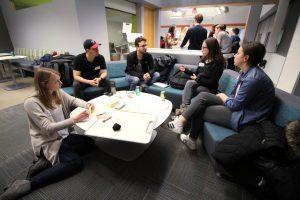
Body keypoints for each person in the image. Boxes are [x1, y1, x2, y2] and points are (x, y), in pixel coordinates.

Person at [0, 68, 95, 200]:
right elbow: (48, 128)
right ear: (45, 84)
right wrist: (75, 119)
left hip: (63, 137)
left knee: (90, 143)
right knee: (75, 162)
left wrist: (87, 104)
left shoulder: (57, 92)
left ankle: (48, 161)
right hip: (48, 143)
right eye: (57, 81)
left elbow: (73, 100)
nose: (61, 83)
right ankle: (27, 184)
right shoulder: (31, 103)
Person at [166, 42, 275, 150]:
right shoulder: (245, 72)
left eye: (237, 53)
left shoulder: (253, 78)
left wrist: (223, 97)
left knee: (200, 108)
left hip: (245, 118)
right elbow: (235, 97)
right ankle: (181, 123)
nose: (234, 55)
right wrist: (225, 97)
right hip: (240, 108)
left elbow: (235, 105)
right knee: (203, 95)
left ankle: (187, 133)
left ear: (246, 58)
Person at [175, 37, 225, 115]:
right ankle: (185, 109)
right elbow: (197, 74)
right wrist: (186, 70)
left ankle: (184, 110)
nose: (202, 49)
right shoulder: (203, 60)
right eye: (202, 47)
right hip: (199, 84)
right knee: (190, 84)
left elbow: (211, 83)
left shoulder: (217, 63)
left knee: (192, 85)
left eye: (204, 47)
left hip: (210, 89)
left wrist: (197, 79)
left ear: (211, 48)